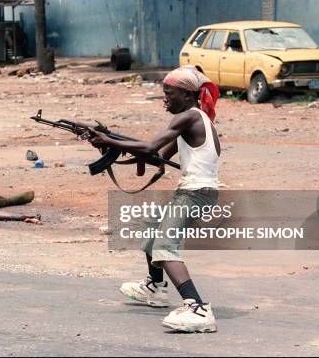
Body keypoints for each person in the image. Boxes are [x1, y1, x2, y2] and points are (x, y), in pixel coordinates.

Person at [88, 65, 221, 333]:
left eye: (168, 93)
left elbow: (149, 147)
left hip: (196, 194)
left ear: (186, 94)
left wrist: (110, 141)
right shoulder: (194, 119)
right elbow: (157, 156)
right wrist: (111, 141)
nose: (164, 99)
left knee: (164, 246)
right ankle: (155, 287)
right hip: (193, 192)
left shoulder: (189, 117)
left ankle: (197, 308)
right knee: (151, 232)